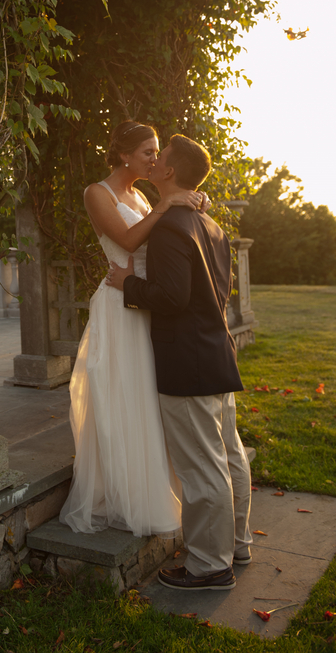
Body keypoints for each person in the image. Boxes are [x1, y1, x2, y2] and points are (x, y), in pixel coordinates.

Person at [106, 133, 252, 591]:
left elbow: (171, 297)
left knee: (202, 467)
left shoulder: (170, 226)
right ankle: (238, 543)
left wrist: (128, 284)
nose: (153, 162)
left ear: (169, 171)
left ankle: (210, 566)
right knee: (228, 455)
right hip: (216, 353)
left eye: (160, 157)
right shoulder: (210, 223)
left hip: (187, 362)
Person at [59, 122, 204, 538]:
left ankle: (152, 487)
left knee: (145, 397)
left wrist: (189, 202)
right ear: (124, 155)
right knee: (123, 395)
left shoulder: (141, 196)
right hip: (118, 306)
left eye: (157, 152)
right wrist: (167, 203)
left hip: (144, 301)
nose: (155, 160)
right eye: (147, 152)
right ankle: (125, 495)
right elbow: (126, 240)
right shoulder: (97, 193)